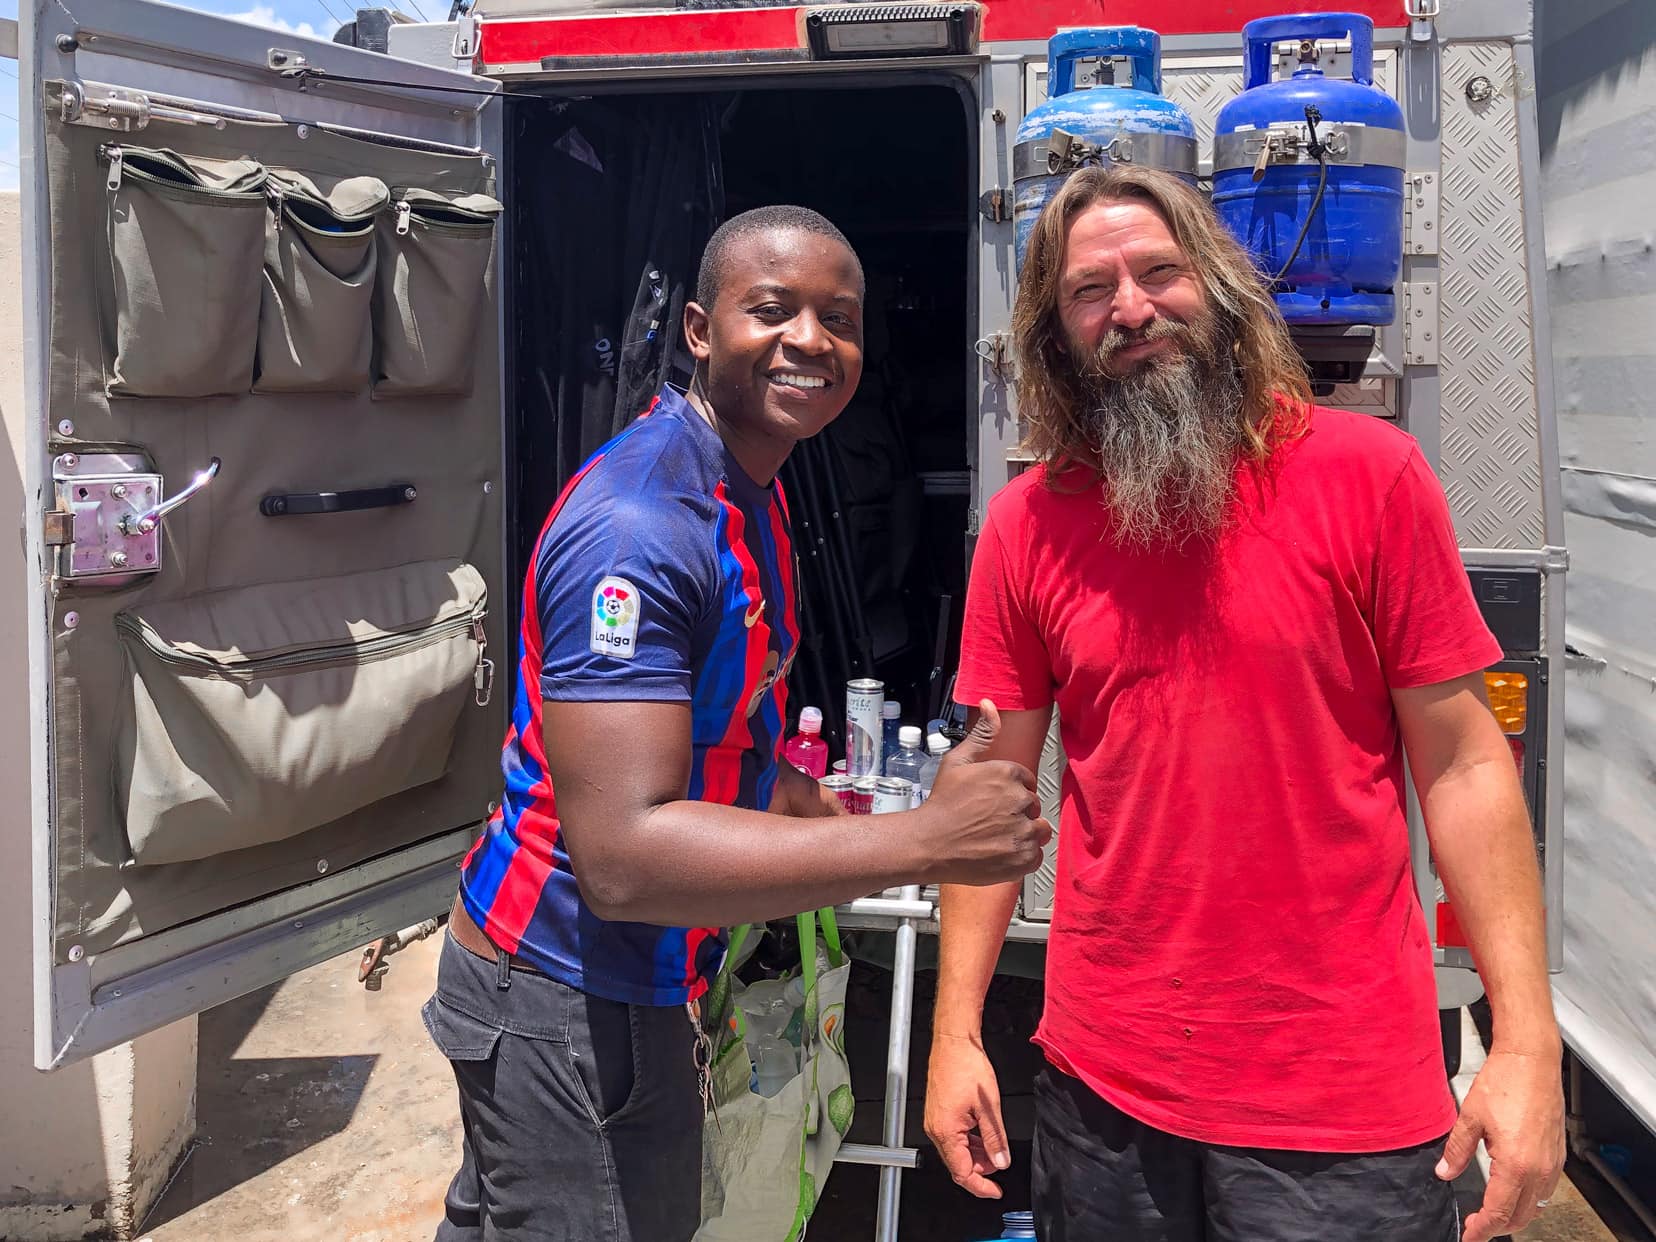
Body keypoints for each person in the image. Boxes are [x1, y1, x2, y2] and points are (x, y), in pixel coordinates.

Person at [923, 166, 1565, 1242]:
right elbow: (988, 784)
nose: (1130, 307)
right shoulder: (1027, 526)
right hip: (1105, 1094)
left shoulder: (1372, 476)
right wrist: (953, 1033)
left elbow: (1464, 764)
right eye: (1091, 290)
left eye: (1158, 272)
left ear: (1218, 286)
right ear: (1055, 331)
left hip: (1342, 1106)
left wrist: (1527, 1042)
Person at [423, 204, 1050, 1242]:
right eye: (774, 310)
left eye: (839, 320)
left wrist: (834, 812)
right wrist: (927, 841)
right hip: (566, 992)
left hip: (634, 982)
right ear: (701, 331)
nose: (812, 340)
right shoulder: (641, 525)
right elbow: (624, 854)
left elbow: (730, 744)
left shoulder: (747, 488)